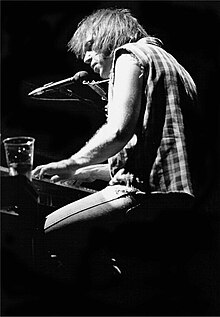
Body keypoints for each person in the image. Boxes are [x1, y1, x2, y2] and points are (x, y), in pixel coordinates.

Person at [32, 7, 202, 313]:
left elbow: (118, 131)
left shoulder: (129, 55)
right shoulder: (174, 66)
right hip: (178, 195)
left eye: (89, 47)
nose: (85, 59)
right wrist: (85, 171)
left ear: (107, 37)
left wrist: (70, 163)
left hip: (140, 193)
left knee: (39, 234)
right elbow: (153, 148)